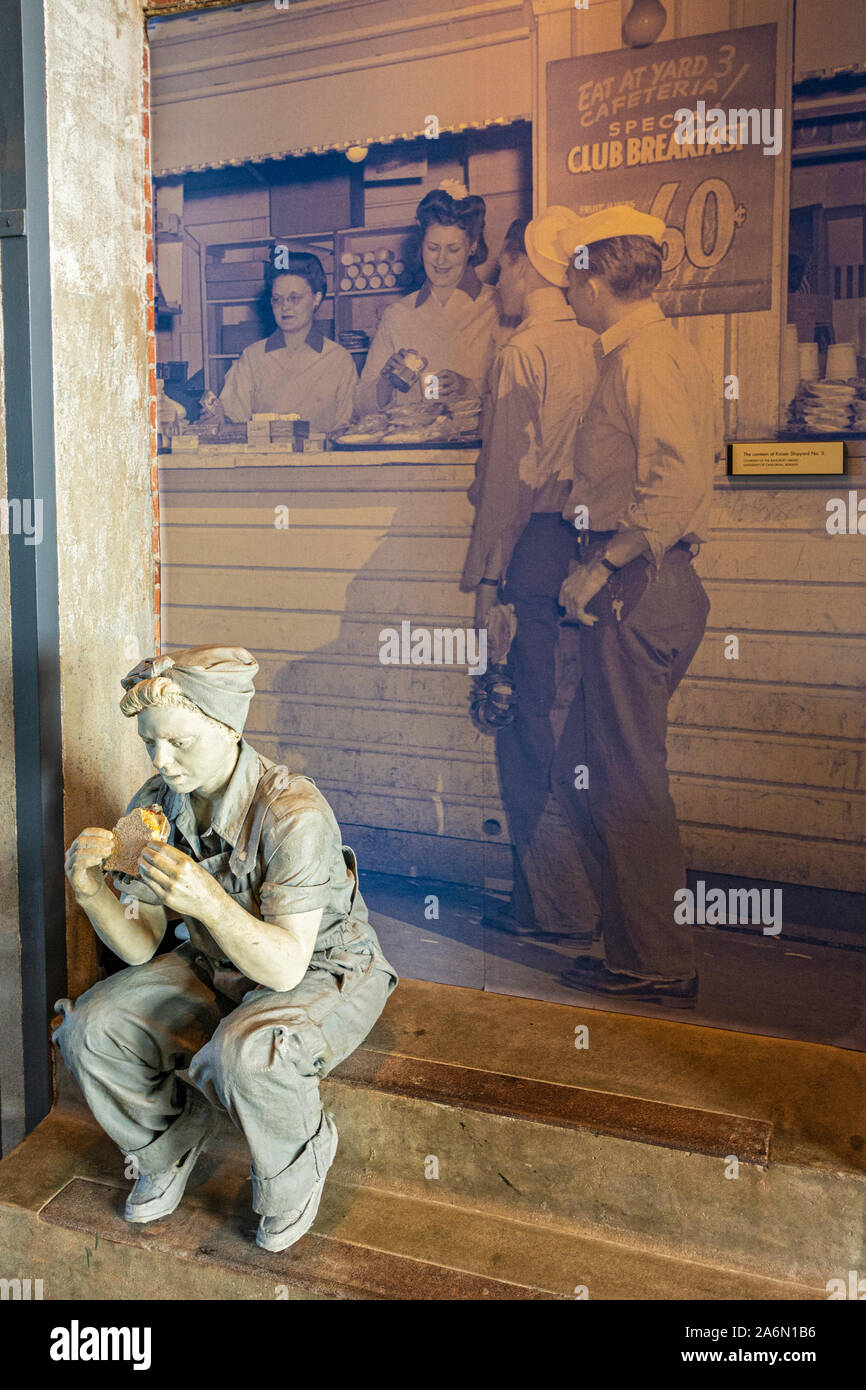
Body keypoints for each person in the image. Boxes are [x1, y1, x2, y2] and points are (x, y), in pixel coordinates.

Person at [55, 645, 398, 1251]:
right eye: (150, 744)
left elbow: (287, 966)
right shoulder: (154, 805)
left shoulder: (293, 813)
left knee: (246, 1053)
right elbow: (139, 946)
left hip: (322, 967)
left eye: (179, 743)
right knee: (90, 1027)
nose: (162, 761)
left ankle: (299, 1161)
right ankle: (167, 1141)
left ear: (228, 727)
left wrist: (209, 901)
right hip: (218, 964)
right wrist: (90, 893)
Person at [545, 206, 714, 1008]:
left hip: (636, 582)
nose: (568, 292)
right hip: (641, 581)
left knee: (624, 776)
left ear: (600, 274)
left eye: (572, 276)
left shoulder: (643, 356)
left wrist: (599, 568)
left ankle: (657, 960)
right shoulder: (643, 352)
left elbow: (676, 485)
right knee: (587, 770)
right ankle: (632, 946)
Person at [461, 212, 597, 939]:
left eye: (502, 267)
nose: (495, 282)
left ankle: (555, 909)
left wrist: (488, 583)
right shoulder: (600, 338)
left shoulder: (524, 351)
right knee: (568, 727)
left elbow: (508, 487)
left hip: (532, 554)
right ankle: (563, 899)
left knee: (520, 727)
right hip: (588, 558)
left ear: (527, 265)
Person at [356, 184, 504, 416]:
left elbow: (519, 391)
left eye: (453, 249)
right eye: (433, 248)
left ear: (473, 247)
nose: (441, 261)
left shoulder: (498, 306)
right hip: (415, 448)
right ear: (421, 246)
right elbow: (360, 405)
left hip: (478, 448)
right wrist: (385, 381)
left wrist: (471, 387)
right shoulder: (398, 314)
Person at [204, 251, 358, 433]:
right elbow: (233, 421)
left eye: (294, 298)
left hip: (320, 461)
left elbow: (347, 427)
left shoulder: (338, 359)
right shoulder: (252, 357)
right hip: (264, 459)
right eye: (277, 299)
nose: (285, 306)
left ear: (316, 298)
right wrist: (220, 419)